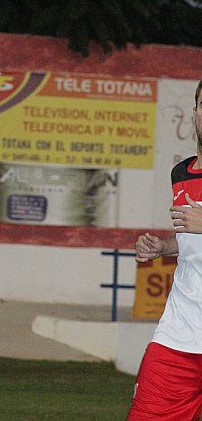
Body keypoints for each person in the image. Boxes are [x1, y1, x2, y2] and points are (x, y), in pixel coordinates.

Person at [129, 79, 202, 420]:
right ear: (195, 114)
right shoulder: (181, 173)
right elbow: (191, 241)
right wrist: (164, 246)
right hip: (179, 334)